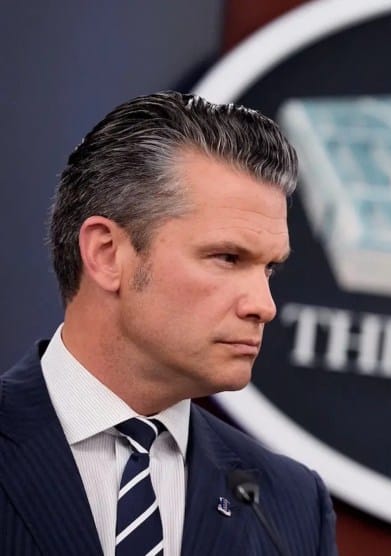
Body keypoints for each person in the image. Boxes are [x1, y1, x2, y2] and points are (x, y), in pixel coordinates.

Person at [0, 92, 338, 555]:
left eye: (269, 269)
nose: (264, 305)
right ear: (107, 254)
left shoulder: (291, 506)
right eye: (226, 257)